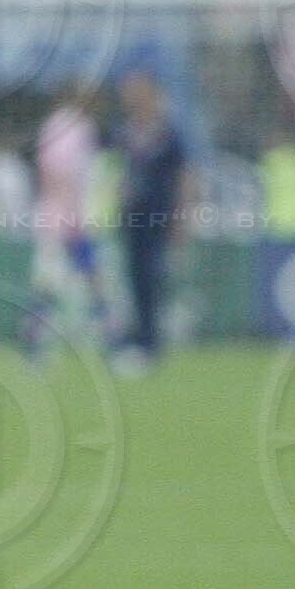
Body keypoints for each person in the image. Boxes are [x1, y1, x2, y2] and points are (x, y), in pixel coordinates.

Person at [112, 71, 185, 373]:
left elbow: (183, 177)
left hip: (158, 218)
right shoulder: (124, 132)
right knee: (134, 278)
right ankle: (138, 339)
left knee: (152, 278)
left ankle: (150, 342)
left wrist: (181, 218)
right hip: (131, 219)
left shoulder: (167, 134)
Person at [26, 88, 107, 356]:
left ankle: (106, 335)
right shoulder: (68, 126)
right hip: (62, 219)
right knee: (55, 279)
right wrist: (71, 216)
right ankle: (35, 340)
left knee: (87, 276)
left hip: (67, 217)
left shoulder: (72, 126)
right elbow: (58, 174)